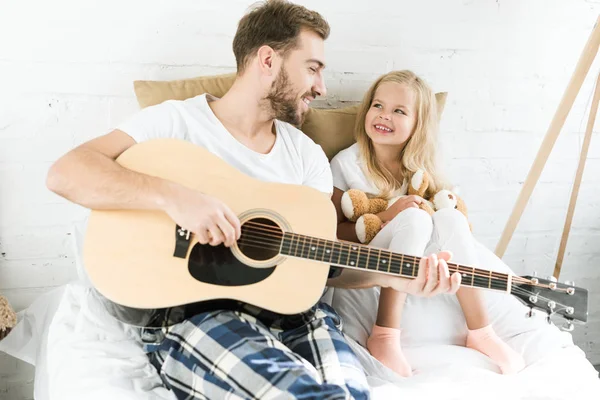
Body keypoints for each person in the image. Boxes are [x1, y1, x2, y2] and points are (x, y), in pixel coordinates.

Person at [46, 2, 461, 398]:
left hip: (303, 317)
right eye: (312, 68)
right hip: (199, 314)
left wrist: (394, 277)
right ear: (267, 60)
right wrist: (175, 197)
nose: (322, 86)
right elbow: (67, 172)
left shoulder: (306, 155)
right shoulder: (175, 122)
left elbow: (321, 264)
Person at [330, 70, 526, 377]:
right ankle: (384, 333)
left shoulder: (421, 169)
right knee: (413, 217)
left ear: (418, 124)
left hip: (419, 251)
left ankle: (481, 331)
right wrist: (386, 217)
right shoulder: (346, 163)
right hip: (369, 256)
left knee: (449, 217)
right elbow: (332, 232)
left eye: (399, 111)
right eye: (377, 106)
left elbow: (449, 216)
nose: (384, 116)